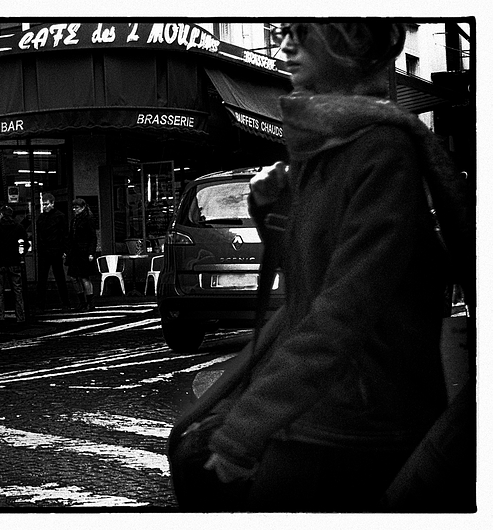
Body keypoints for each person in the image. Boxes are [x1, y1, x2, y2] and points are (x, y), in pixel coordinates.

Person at [196, 22, 472, 511]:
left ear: (350, 45)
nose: (283, 45)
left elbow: (346, 308)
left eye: (301, 34)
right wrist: (270, 213)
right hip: (322, 410)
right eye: (282, 31)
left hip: (360, 425)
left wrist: (246, 428)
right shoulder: (323, 146)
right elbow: (309, 275)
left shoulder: (382, 151)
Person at [0, 205, 30, 326]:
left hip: (0, 263)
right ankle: (20, 317)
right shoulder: (19, 227)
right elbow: (24, 244)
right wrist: (20, 255)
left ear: (1, 214)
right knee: (17, 290)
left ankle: (1, 317)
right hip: (15, 262)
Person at [34, 193, 70, 312]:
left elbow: (64, 235)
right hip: (52, 250)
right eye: (44, 204)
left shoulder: (43, 218)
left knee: (46, 278)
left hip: (50, 250)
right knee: (56, 277)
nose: (45, 207)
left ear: (52, 203)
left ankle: (41, 304)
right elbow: (64, 235)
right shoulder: (59, 216)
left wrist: (63, 249)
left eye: (46, 204)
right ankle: (64, 302)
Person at [67, 198, 97, 311]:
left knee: (84, 277)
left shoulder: (88, 219)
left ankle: (89, 301)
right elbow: (70, 237)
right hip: (75, 251)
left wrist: (91, 252)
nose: (75, 210)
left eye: (77, 208)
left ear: (83, 207)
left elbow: (92, 237)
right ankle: (83, 301)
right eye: (74, 208)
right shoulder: (75, 220)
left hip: (84, 251)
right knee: (74, 277)